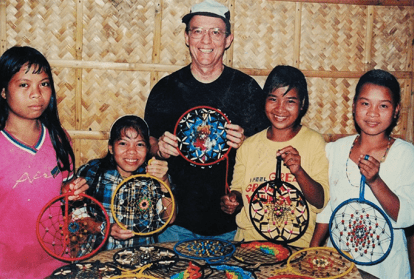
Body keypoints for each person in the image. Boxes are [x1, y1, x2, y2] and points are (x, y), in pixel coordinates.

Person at [144, 0, 269, 242]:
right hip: (174, 223)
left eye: (215, 32)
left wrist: (246, 143)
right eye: (198, 31)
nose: (206, 41)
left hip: (234, 227)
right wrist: (158, 147)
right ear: (186, 37)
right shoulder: (166, 89)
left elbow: (266, 151)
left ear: (228, 39)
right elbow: (146, 142)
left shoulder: (247, 89)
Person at [310, 69, 414, 279]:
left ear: (396, 110)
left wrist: (375, 181)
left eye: (383, 105)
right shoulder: (336, 149)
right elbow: (329, 205)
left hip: (386, 269)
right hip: (337, 263)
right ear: (354, 105)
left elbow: (407, 216)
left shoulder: (406, 154)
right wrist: (312, 250)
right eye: (365, 103)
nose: (373, 113)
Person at [0, 46, 89, 278]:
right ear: (2, 91)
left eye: (44, 83)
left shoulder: (59, 138)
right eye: (24, 85)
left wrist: (70, 193)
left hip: (57, 265)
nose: (36, 94)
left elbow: (65, 200)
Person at [220, 65, 329, 247]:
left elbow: (320, 202)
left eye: (290, 101)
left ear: (302, 104)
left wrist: (299, 171)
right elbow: (237, 189)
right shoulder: (248, 146)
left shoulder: (314, 142)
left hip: (296, 247)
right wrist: (233, 201)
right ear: (264, 101)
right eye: (273, 99)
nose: (280, 108)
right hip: (249, 245)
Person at [77, 115, 176, 250]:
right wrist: (106, 228)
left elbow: (169, 219)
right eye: (123, 143)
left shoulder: (154, 175)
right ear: (111, 148)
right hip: (97, 259)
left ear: (147, 149)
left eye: (139, 144)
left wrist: (164, 181)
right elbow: (73, 217)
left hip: (140, 260)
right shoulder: (93, 172)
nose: (132, 151)